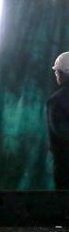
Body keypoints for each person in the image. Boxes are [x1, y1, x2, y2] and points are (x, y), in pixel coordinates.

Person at [48, 51, 69, 190]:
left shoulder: (56, 100)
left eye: (57, 72)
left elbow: (61, 133)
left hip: (65, 164)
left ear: (62, 74)